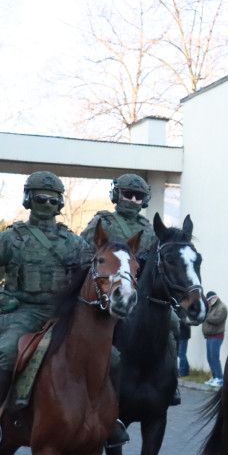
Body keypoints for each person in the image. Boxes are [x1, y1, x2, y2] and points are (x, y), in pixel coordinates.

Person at [0, 171, 93, 452]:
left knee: (112, 354)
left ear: (60, 203)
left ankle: (106, 417)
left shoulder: (76, 243)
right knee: (10, 351)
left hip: (64, 315)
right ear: (28, 200)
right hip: (22, 312)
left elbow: (94, 275)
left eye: (52, 199)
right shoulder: (11, 239)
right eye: (39, 197)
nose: (46, 203)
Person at [82, 173, 179, 412]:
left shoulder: (150, 229)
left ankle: (170, 382)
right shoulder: (102, 222)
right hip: (108, 295)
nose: (133, 199)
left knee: (172, 326)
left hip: (141, 297)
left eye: (139, 197)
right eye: (128, 194)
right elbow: (84, 254)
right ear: (116, 195)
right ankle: (90, 384)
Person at [201, 291, 227, 387]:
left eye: (210, 299)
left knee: (214, 357)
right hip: (210, 336)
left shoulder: (222, 307)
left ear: (214, 298)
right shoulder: (211, 307)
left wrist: (206, 315)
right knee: (210, 357)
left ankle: (219, 378)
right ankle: (214, 376)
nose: (209, 302)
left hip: (217, 336)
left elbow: (217, 319)